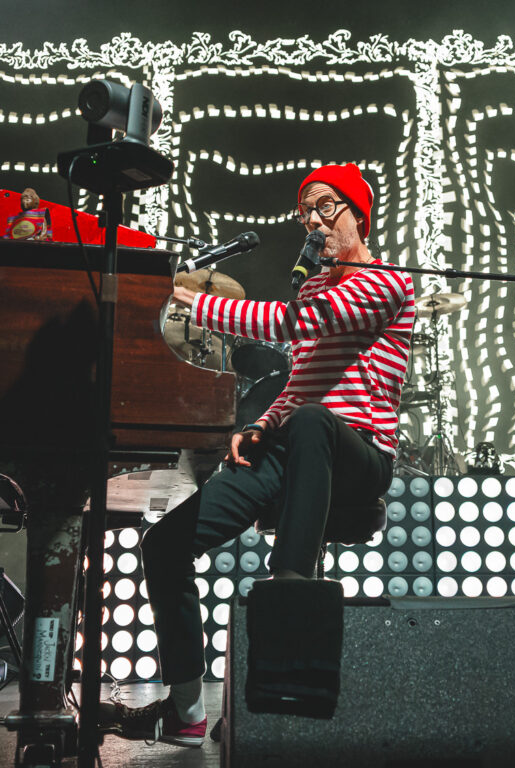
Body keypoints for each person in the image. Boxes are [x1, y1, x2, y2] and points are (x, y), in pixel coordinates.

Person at [101, 163, 415, 746]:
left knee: (315, 422)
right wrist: (262, 424)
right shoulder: (314, 285)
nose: (314, 221)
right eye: (306, 212)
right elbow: (300, 383)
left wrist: (200, 305)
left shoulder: (388, 280)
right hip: (294, 446)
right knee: (164, 544)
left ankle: (287, 600)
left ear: (358, 213)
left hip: (360, 457)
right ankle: (186, 711)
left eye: (326, 206)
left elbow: (300, 325)